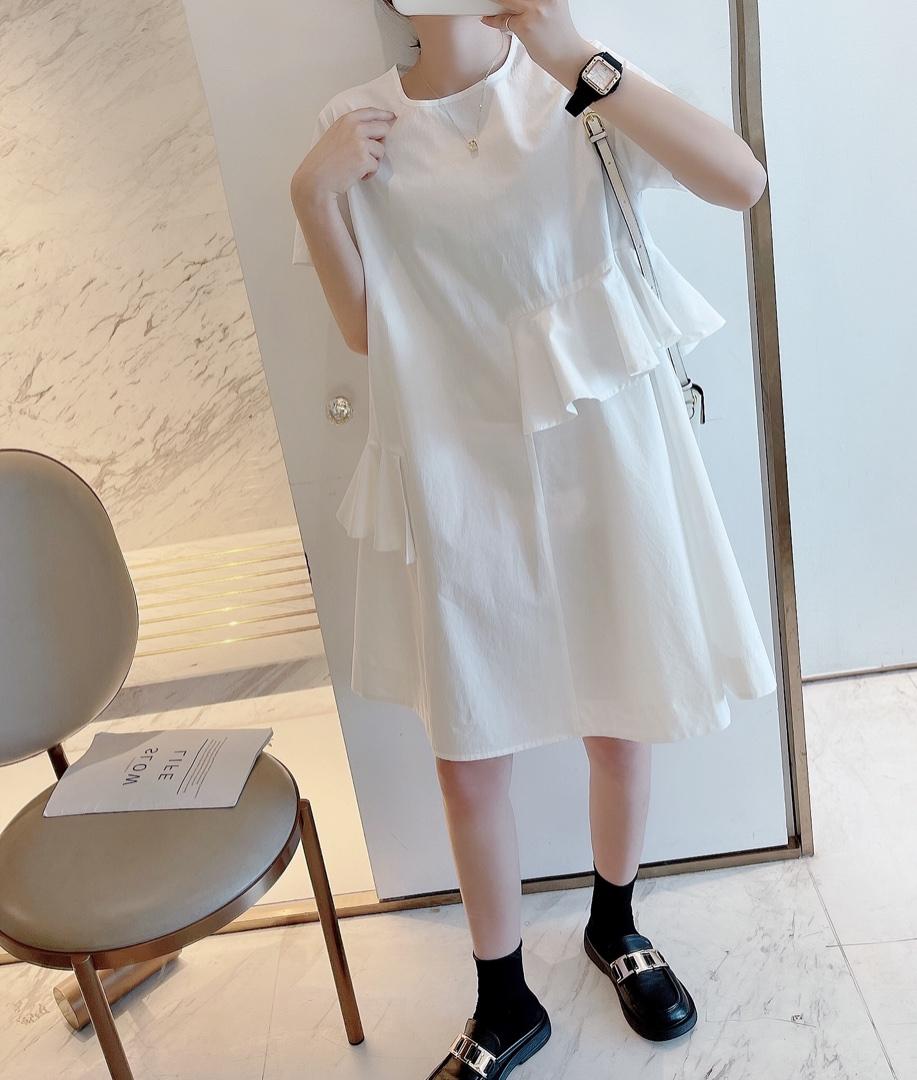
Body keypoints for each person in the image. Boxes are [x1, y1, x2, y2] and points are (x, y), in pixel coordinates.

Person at [290, 1, 776, 1075]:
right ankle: (503, 997)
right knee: (469, 760)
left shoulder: (571, 81)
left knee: (620, 717)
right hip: (455, 470)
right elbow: (367, 329)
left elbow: (740, 182)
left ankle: (616, 922)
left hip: (601, 453)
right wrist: (311, 195)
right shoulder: (354, 123)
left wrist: (569, 53)